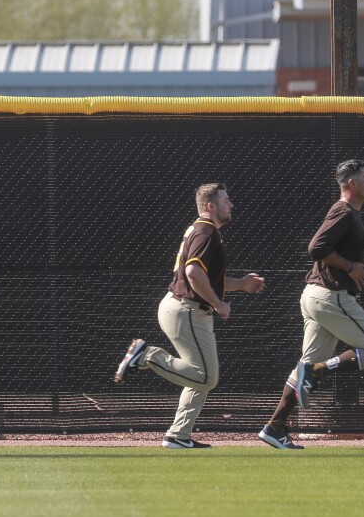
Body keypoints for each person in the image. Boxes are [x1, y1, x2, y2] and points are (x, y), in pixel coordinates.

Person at [112, 183, 266, 449]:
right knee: (206, 376)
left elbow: (203, 277)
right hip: (187, 310)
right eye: (226, 200)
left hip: (184, 308)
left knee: (199, 376)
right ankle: (147, 355)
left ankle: (178, 435)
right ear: (211, 206)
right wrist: (218, 304)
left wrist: (240, 284)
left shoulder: (201, 230)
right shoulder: (207, 232)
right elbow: (194, 275)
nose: (231, 204)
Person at [258, 160, 364, 451]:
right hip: (330, 297)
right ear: (352, 184)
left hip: (319, 296)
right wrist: (353, 266)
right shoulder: (343, 210)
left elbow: (336, 257)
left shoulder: (350, 213)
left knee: (302, 368)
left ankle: (275, 427)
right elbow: (316, 248)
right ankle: (321, 370)